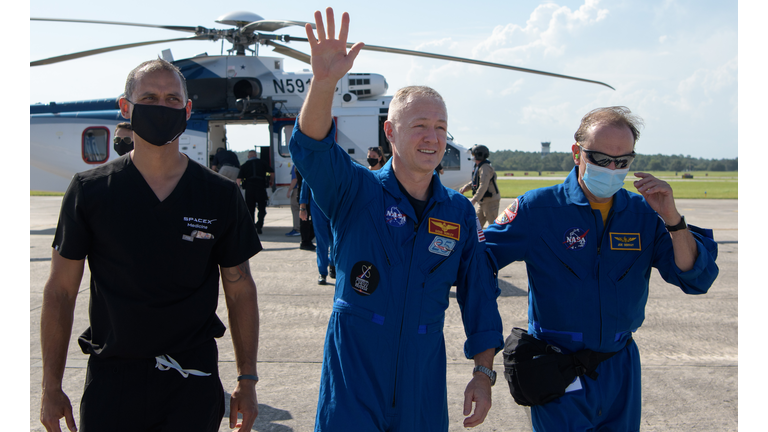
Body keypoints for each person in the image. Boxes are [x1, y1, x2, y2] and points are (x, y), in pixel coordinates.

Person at [290, 8, 503, 431]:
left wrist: (483, 373)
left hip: (421, 377)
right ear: (390, 133)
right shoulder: (356, 191)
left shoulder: (457, 212)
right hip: (355, 373)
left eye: (441, 127)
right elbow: (312, 148)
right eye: (419, 125)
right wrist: (325, 82)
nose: (432, 137)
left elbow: (478, 295)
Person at [39, 59, 262, 432]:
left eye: (172, 98)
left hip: (191, 382)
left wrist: (248, 379)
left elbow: (240, 289)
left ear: (188, 110)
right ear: (125, 107)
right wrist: (50, 386)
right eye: (149, 97)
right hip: (113, 382)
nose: (162, 106)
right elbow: (60, 291)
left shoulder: (219, 195)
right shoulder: (89, 191)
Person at [484, 106, 719, 432]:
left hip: (619, 367)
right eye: (600, 158)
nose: (611, 168)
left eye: (622, 162)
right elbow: (479, 260)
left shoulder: (644, 215)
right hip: (558, 366)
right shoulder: (539, 209)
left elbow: (696, 278)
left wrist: (673, 220)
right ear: (577, 153)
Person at [299, 179, 335, 284]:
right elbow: (305, 183)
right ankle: (322, 272)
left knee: (336, 238)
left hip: (334, 205)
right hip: (317, 208)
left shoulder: (336, 163)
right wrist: (302, 207)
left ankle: (333, 264)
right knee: (321, 240)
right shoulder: (312, 164)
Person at [459, 145, 500, 228]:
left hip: (490, 201)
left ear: (478, 155)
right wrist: (465, 188)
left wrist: (474, 199)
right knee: (477, 226)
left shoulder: (485, 167)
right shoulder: (479, 167)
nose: (472, 157)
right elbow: (476, 182)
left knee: (493, 224)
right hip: (483, 201)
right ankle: (476, 241)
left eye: (473, 154)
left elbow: (483, 185)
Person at [237, 150, 274, 234]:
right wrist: (271, 182)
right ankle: (259, 224)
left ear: (248, 156)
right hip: (260, 188)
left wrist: (237, 190)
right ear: (256, 155)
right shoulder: (262, 163)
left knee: (250, 209)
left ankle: (252, 227)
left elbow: (238, 179)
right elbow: (271, 172)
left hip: (249, 189)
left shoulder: (244, 165)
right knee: (262, 208)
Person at [284, 165, 302, 236]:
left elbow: (295, 179)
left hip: (296, 189)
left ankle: (297, 228)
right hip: (303, 189)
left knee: (295, 209)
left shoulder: (295, 165)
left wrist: (289, 190)